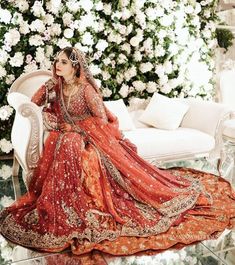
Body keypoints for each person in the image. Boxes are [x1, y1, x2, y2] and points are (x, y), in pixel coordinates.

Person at [0, 47, 235, 256]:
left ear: (75, 66)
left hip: (90, 134)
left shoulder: (86, 91)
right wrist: (46, 86)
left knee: (79, 149)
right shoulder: (56, 86)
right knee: (64, 143)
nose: (56, 65)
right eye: (57, 61)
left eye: (62, 62)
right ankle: (65, 203)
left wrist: (77, 129)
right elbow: (34, 102)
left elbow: (101, 119)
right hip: (68, 135)